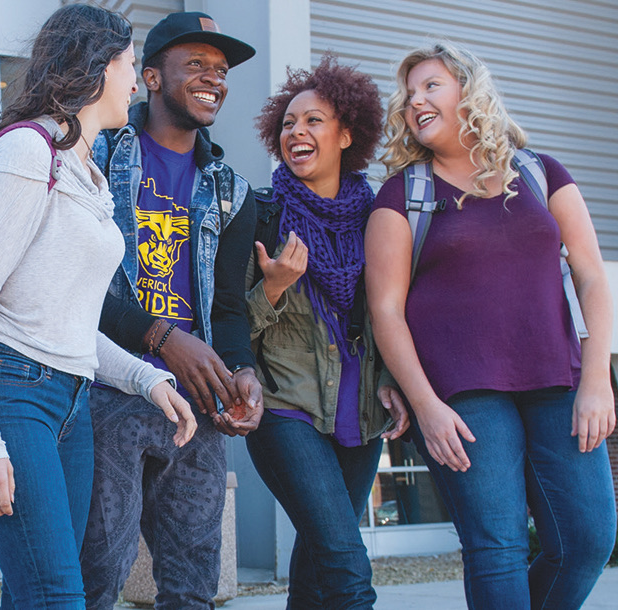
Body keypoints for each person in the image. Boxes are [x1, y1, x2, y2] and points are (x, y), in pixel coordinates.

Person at [0, 5, 192, 608]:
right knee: (57, 597)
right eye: (129, 62)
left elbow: (68, 319)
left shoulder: (87, 173)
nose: (134, 79)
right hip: (12, 391)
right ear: (97, 67)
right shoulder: (26, 150)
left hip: (69, 404)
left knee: (33, 595)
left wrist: (147, 380)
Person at [366, 41, 616, 610]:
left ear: (469, 90)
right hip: (463, 396)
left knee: (586, 539)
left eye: (431, 85)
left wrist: (597, 378)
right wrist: (426, 406)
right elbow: (386, 310)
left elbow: (592, 278)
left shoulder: (540, 173)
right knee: (496, 547)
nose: (416, 101)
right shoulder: (403, 195)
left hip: (559, 380)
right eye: (409, 95)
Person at [79, 11, 263, 610]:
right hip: (108, 387)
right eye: (197, 64)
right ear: (151, 78)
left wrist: (242, 371)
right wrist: (158, 336)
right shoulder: (96, 156)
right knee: (96, 570)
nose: (215, 78)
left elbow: (230, 308)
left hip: (198, 403)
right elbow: (75, 284)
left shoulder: (232, 190)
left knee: (193, 583)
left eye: (221, 68)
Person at [243, 54, 408, 610]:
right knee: (345, 566)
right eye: (288, 123)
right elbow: (232, 326)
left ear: (345, 134)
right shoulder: (261, 215)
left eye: (313, 120)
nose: (297, 132)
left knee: (316, 567)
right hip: (287, 410)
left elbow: (394, 312)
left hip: (360, 415)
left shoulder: (378, 218)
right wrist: (272, 288)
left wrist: (394, 380)